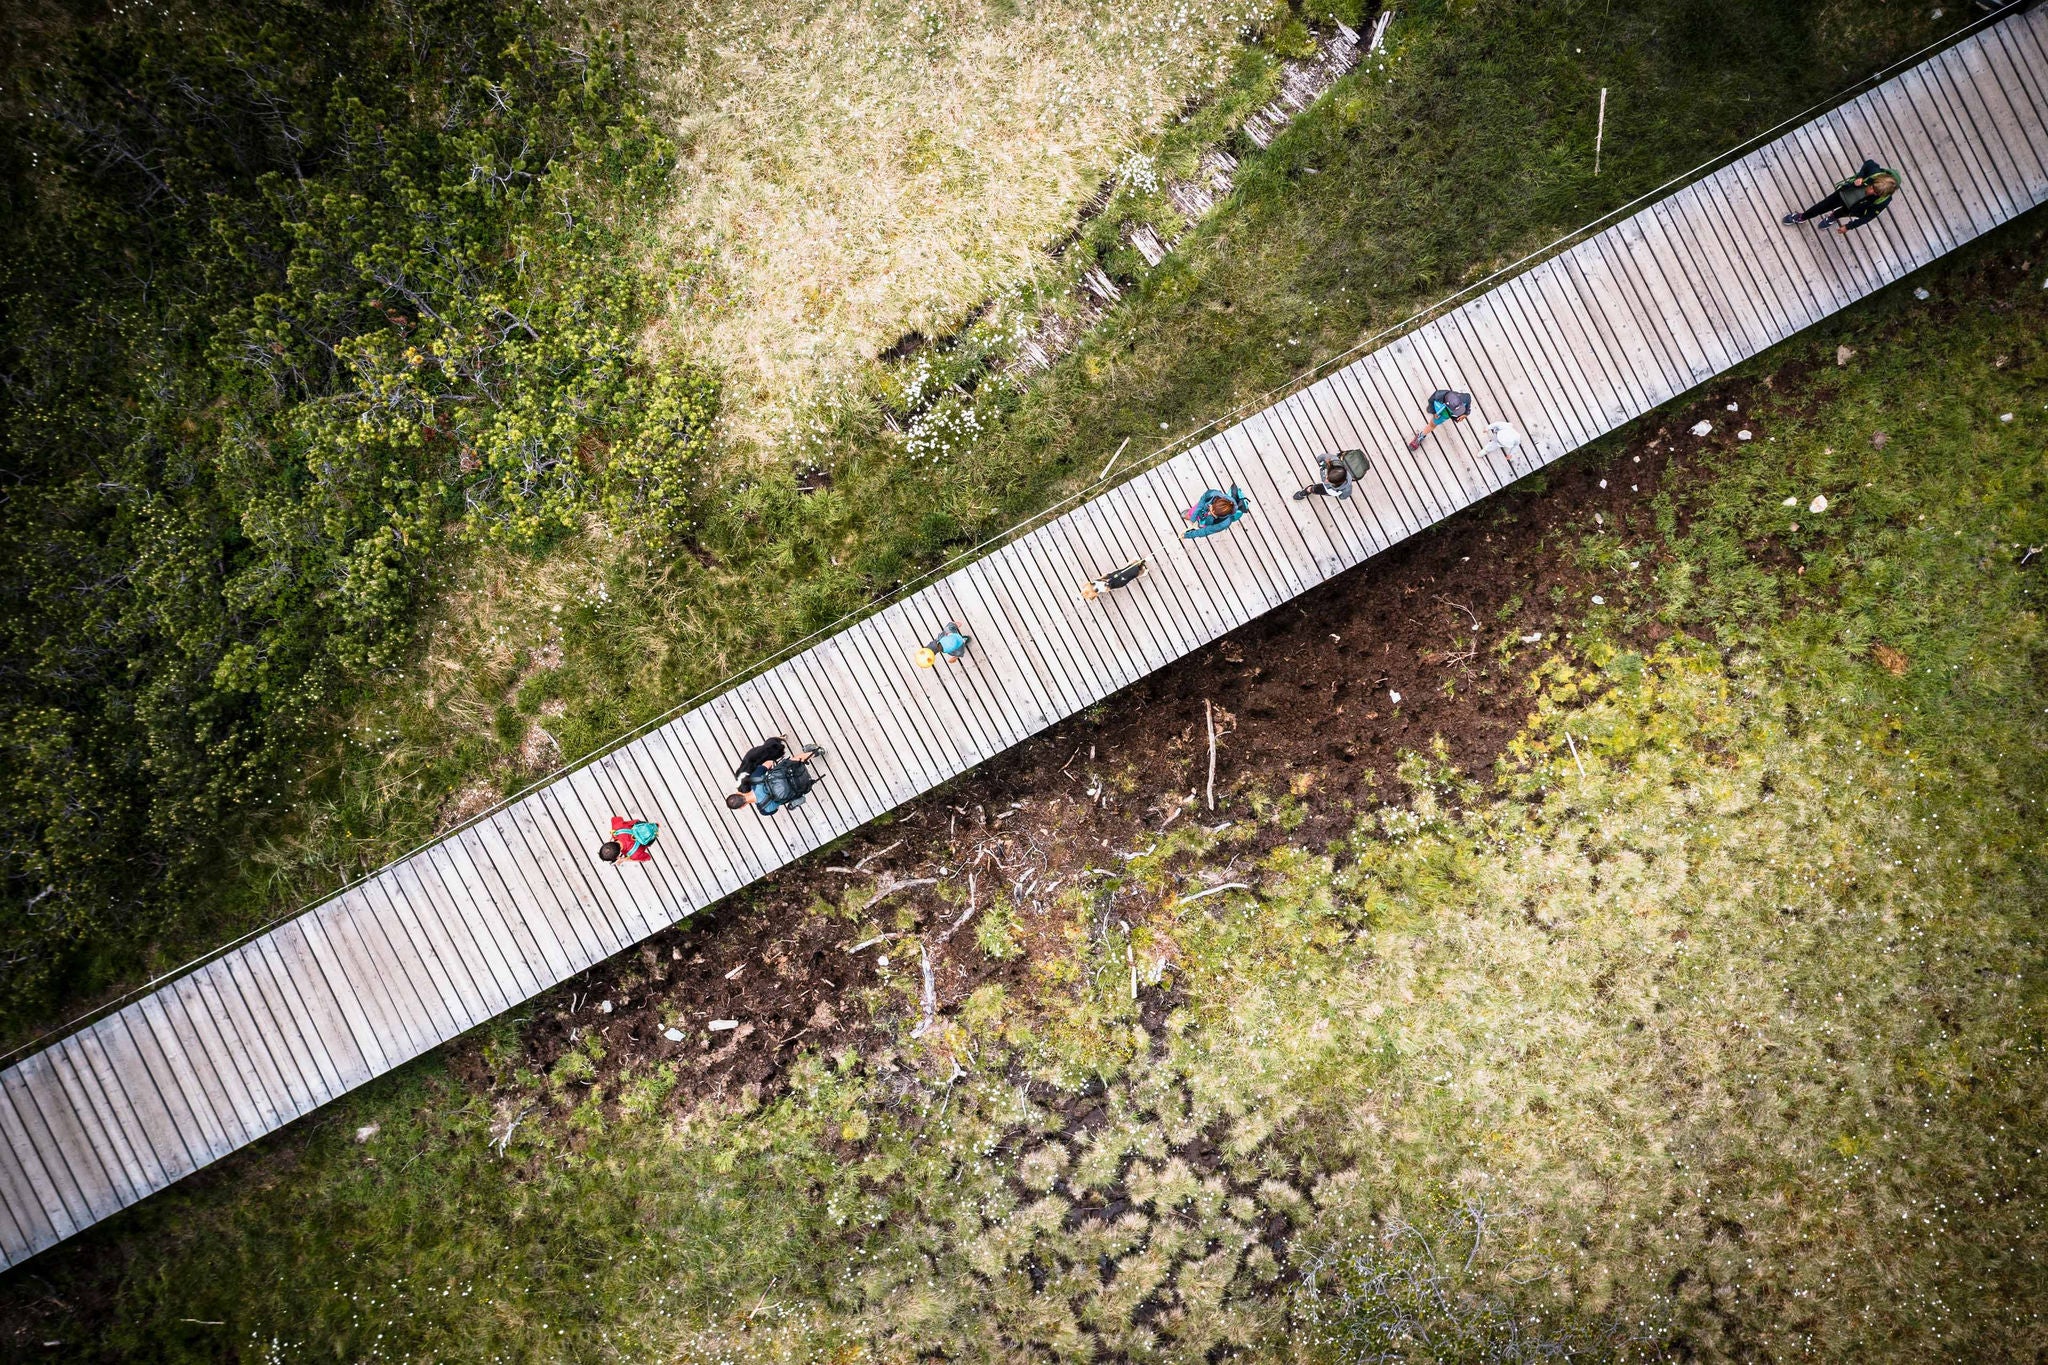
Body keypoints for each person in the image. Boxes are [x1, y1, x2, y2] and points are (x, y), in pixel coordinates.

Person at [1781, 159, 1900, 235]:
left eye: (1876, 193)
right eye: (1872, 187)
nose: (1871, 192)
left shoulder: (1884, 200)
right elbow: (1869, 163)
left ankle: (1832, 217)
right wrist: (1860, 176)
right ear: (1876, 180)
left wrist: (1849, 227)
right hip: (1844, 194)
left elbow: (1869, 217)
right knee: (1821, 206)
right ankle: (1802, 217)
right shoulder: (1874, 172)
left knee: (1840, 213)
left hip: (1854, 207)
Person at [726, 759, 816, 816]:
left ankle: (794, 803)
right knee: (791, 761)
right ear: (738, 793)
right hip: (793, 770)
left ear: (743, 806)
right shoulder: (753, 779)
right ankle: (815, 752)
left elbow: (776, 808)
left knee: (786, 801)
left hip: (802, 787)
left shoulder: (764, 810)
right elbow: (769, 762)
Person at [1291, 449, 1368, 501]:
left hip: (1328, 490)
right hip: (1334, 488)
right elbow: (1344, 496)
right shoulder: (1333, 460)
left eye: (1329, 480)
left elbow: (1321, 457)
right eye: (1328, 476)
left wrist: (1320, 461)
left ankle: (1309, 490)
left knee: (1317, 489)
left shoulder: (1347, 486)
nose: (1326, 479)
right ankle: (1309, 490)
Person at [1407, 390, 1472, 451]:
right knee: (1432, 424)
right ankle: (1421, 436)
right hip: (1442, 412)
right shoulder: (1438, 396)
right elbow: (1431, 401)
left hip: (1450, 411)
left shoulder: (1465, 398)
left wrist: (1466, 413)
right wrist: (1434, 412)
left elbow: (1468, 399)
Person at [732, 735, 814, 783]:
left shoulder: (754, 777)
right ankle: (779, 739)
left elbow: (768, 764)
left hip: (762, 761)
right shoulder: (739, 776)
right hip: (752, 755)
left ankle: (814, 752)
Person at [1183, 486, 1251, 539]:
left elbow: (1206, 531)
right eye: (1211, 508)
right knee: (1195, 512)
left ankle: (1201, 523)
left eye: (1213, 515)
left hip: (1210, 522)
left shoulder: (1224, 523)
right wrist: (1193, 517)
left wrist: (1188, 535)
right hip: (1204, 508)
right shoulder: (1213, 494)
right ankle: (1192, 515)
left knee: (1203, 526)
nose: (1209, 513)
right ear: (1215, 501)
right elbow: (1202, 501)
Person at [1080, 559, 1148, 600]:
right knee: (1129, 576)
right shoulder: (1102, 589)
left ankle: (1134, 564)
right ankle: (1140, 571)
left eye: (1093, 584)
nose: (1095, 586)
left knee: (1123, 571)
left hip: (1112, 576)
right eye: (1095, 590)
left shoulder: (1095, 582)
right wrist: (1106, 585)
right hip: (1117, 582)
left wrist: (1104, 578)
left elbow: (1103, 576)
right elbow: (1107, 588)